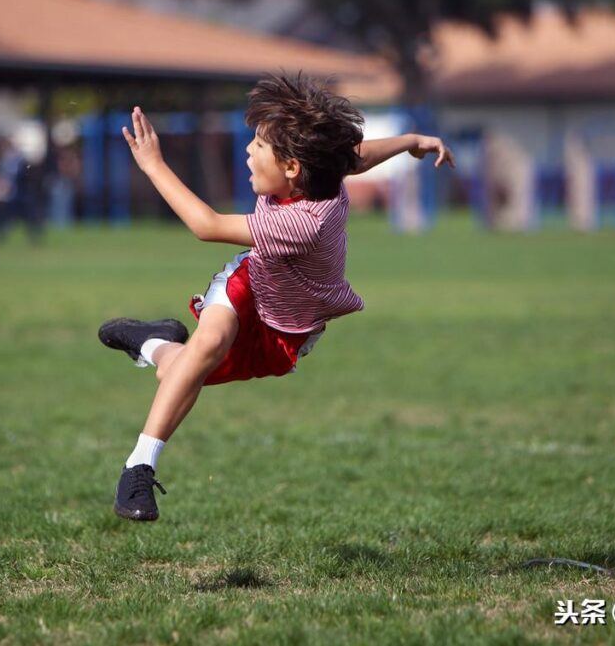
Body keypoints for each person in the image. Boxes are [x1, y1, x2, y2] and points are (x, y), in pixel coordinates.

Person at [100, 75, 456, 521]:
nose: (248, 150)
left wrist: (153, 164)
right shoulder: (318, 174)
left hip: (285, 328)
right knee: (208, 347)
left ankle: (152, 342)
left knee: (179, 372)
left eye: (258, 146)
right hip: (248, 286)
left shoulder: (304, 222)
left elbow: (206, 224)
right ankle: (138, 469)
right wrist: (410, 140)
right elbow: (354, 157)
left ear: (292, 167)